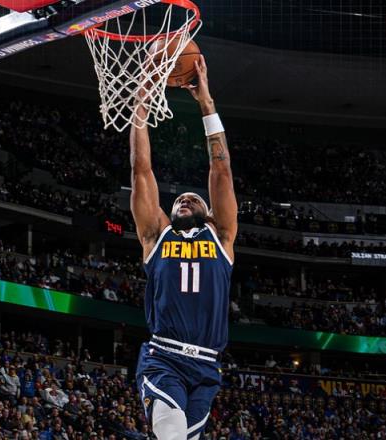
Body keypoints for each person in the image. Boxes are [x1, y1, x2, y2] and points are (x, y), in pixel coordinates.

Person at [131, 55, 237, 440]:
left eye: (194, 199)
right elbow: (141, 170)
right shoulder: (155, 235)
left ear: (209, 214)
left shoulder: (221, 237)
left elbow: (221, 170)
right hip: (164, 357)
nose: (185, 200)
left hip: (207, 367)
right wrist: (141, 103)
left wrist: (206, 103)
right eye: (179, 200)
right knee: (171, 433)